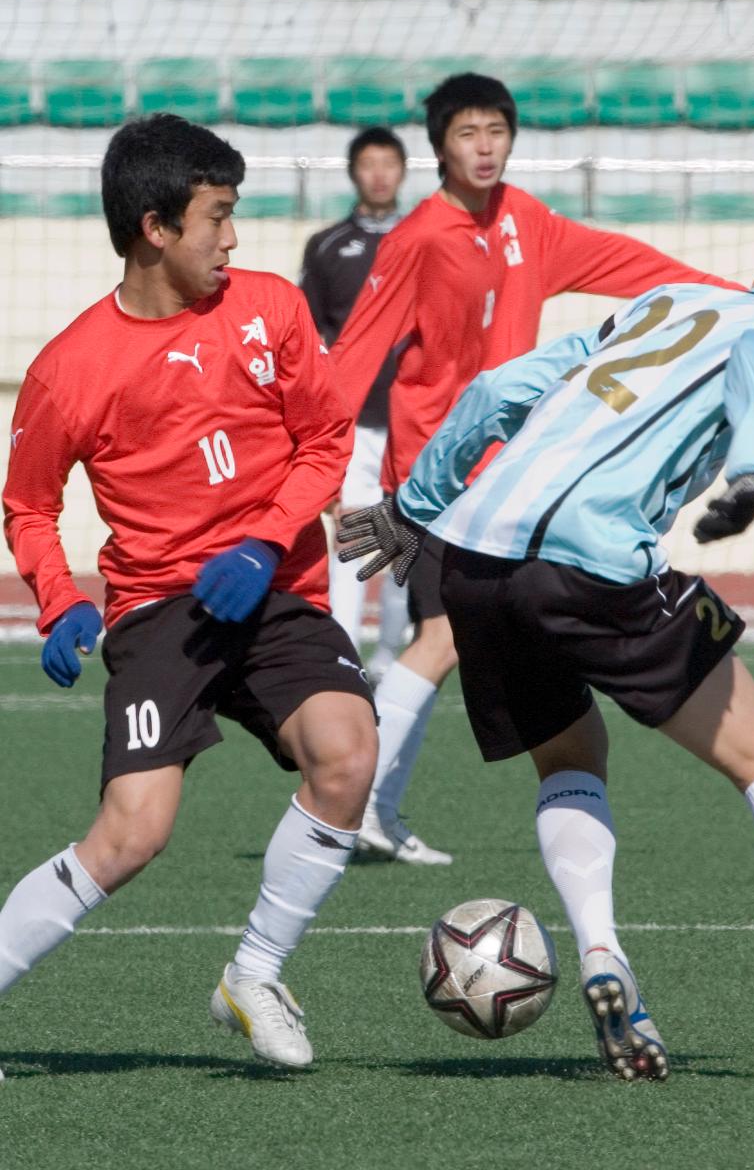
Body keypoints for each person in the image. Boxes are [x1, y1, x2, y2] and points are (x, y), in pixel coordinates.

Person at [339, 212, 754, 1078]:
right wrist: (751, 476)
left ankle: (603, 954)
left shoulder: (661, 303)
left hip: (473, 556)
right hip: (588, 564)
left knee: (572, 753)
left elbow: (497, 388)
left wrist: (415, 503)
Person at [0, 113, 378, 1070]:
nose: (234, 238)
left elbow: (325, 442)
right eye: (217, 217)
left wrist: (260, 541)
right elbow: (29, 504)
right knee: (133, 834)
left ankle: (253, 975)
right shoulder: (68, 369)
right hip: (159, 606)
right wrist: (61, 600)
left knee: (345, 756)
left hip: (275, 584)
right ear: (155, 227)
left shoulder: (273, 309)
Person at [330, 70, 742, 866]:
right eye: (466, 135)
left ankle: (364, 806)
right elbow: (351, 359)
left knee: (461, 638)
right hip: (431, 478)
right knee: (442, 636)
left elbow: (626, 261)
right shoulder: (414, 238)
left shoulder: (526, 221)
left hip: (511, 480)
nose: (484, 148)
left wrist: (738, 303)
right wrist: (316, 474)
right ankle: (353, 801)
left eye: (496, 132)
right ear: (440, 148)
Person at [299, 126, 410, 685]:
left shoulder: (425, 240)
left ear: (403, 170)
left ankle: (391, 656)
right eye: (369, 163)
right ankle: (343, 654)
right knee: (349, 535)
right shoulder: (325, 246)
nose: (379, 174)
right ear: (354, 172)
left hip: (415, 421)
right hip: (352, 424)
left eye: (389, 163)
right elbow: (308, 339)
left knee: (403, 538)